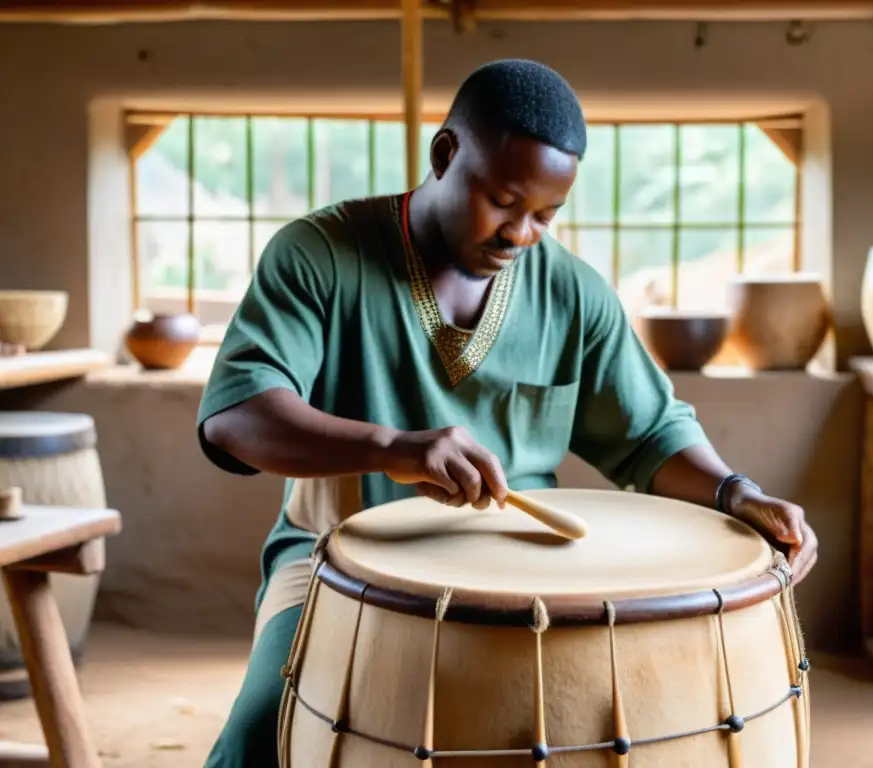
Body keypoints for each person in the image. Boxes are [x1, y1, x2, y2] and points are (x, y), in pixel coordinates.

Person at [195, 58, 819, 767]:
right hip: (334, 558)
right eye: (502, 201)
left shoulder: (574, 294)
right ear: (444, 154)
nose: (519, 234)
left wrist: (736, 492)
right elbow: (237, 417)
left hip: (530, 571)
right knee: (263, 736)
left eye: (545, 216)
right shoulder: (319, 255)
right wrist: (392, 447)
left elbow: (651, 434)